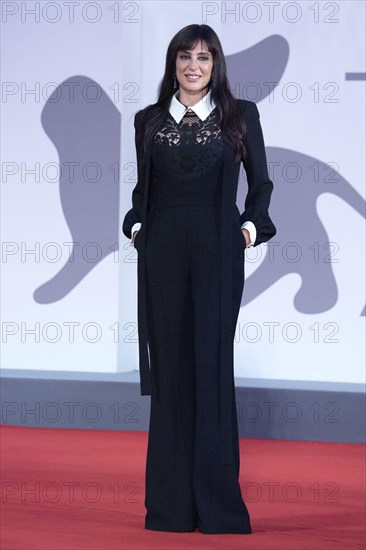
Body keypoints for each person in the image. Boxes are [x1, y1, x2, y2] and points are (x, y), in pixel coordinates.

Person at [122, 23, 276, 534]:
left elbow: (261, 184)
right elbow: (142, 192)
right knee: (171, 374)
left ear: (216, 65)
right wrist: (140, 227)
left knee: (210, 370)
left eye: (204, 57)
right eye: (185, 56)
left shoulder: (239, 116)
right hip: (162, 256)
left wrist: (249, 230)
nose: (194, 65)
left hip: (217, 254)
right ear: (172, 64)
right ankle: (169, 510)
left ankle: (218, 510)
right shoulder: (147, 121)